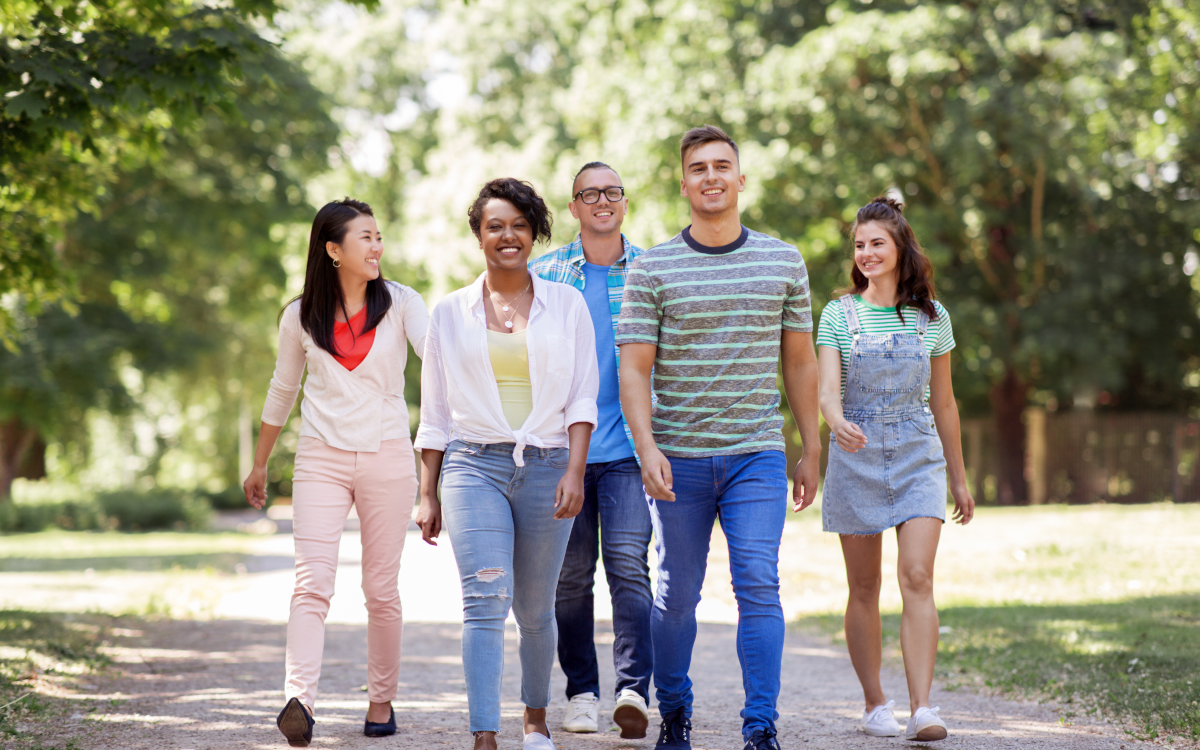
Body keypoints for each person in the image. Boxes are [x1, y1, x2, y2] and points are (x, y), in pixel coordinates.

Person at [616, 125, 821, 750]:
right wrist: (646, 447)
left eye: (721, 166)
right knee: (677, 593)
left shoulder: (783, 260)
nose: (711, 176)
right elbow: (633, 367)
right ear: (684, 183)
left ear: (739, 177)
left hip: (756, 452)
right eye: (698, 168)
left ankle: (761, 725)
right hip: (677, 457)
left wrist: (811, 446)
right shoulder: (652, 266)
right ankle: (674, 710)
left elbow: (801, 362)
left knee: (758, 580)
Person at [413, 178, 599, 750]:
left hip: (548, 466)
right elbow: (435, 412)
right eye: (495, 225)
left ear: (535, 232)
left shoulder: (566, 304)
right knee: (484, 600)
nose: (508, 235)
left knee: (537, 608)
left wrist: (574, 470)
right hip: (473, 467)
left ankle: (536, 720)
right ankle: (484, 733)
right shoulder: (448, 313)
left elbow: (583, 396)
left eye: (519, 224)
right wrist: (427, 492)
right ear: (478, 235)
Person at [243, 198, 430, 747]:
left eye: (379, 236)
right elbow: (283, 389)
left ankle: (381, 700)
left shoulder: (401, 302)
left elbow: (437, 354)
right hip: (320, 457)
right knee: (312, 583)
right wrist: (259, 463)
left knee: (381, 588)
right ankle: (299, 700)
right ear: (333, 249)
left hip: (388, 454)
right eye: (365, 237)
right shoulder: (300, 314)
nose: (377, 246)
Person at [816, 196, 975, 743]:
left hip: (917, 454)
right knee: (864, 586)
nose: (865, 253)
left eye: (876, 243)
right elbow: (826, 392)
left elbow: (946, 403)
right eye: (859, 245)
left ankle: (923, 708)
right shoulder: (838, 314)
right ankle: (874, 703)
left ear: (901, 247)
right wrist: (836, 423)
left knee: (918, 577)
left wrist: (958, 476)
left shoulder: (933, 317)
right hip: (855, 454)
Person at [528, 162, 653, 739]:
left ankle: (633, 691)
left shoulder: (651, 270)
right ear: (574, 207)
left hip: (631, 446)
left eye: (612, 192)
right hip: (562, 450)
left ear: (623, 202)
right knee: (570, 577)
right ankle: (582, 693)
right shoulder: (543, 274)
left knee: (629, 568)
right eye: (589, 194)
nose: (603, 201)